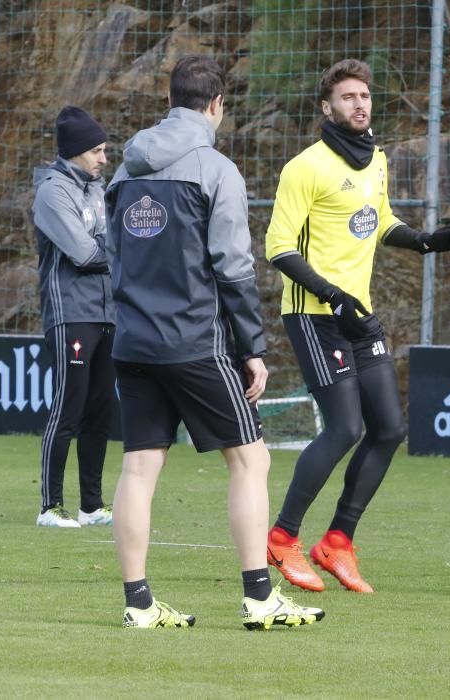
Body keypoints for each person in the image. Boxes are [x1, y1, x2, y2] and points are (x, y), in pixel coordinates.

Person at [105, 54, 324, 630]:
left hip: (132, 342)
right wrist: (252, 347)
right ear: (216, 104)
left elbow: (112, 256)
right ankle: (259, 598)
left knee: (138, 469)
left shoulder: (124, 173)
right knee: (250, 460)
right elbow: (233, 266)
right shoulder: (216, 169)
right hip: (195, 342)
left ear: (171, 97)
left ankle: (139, 604)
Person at [265, 59, 450, 593]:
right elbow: (279, 247)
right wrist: (331, 295)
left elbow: (379, 220)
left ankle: (337, 541)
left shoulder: (376, 159)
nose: (359, 104)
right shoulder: (305, 167)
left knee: (388, 428)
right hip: (316, 315)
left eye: (364, 96)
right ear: (326, 108)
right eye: (347, 97)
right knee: (345, 428)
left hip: (358, 314)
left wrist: (428, 240)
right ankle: (282, 537)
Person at [33, 106, 116, 528]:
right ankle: (50, 506)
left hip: (107, 312)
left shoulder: (101, 188)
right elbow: (83, 253)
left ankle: (92, 505)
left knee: (100, 411)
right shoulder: (52, 191)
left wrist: (107, 246)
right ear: (76, 152)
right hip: (70, 313)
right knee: (69, 406)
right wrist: (117, 252)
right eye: (97, 151)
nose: (104, 159)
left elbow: (104, 243)